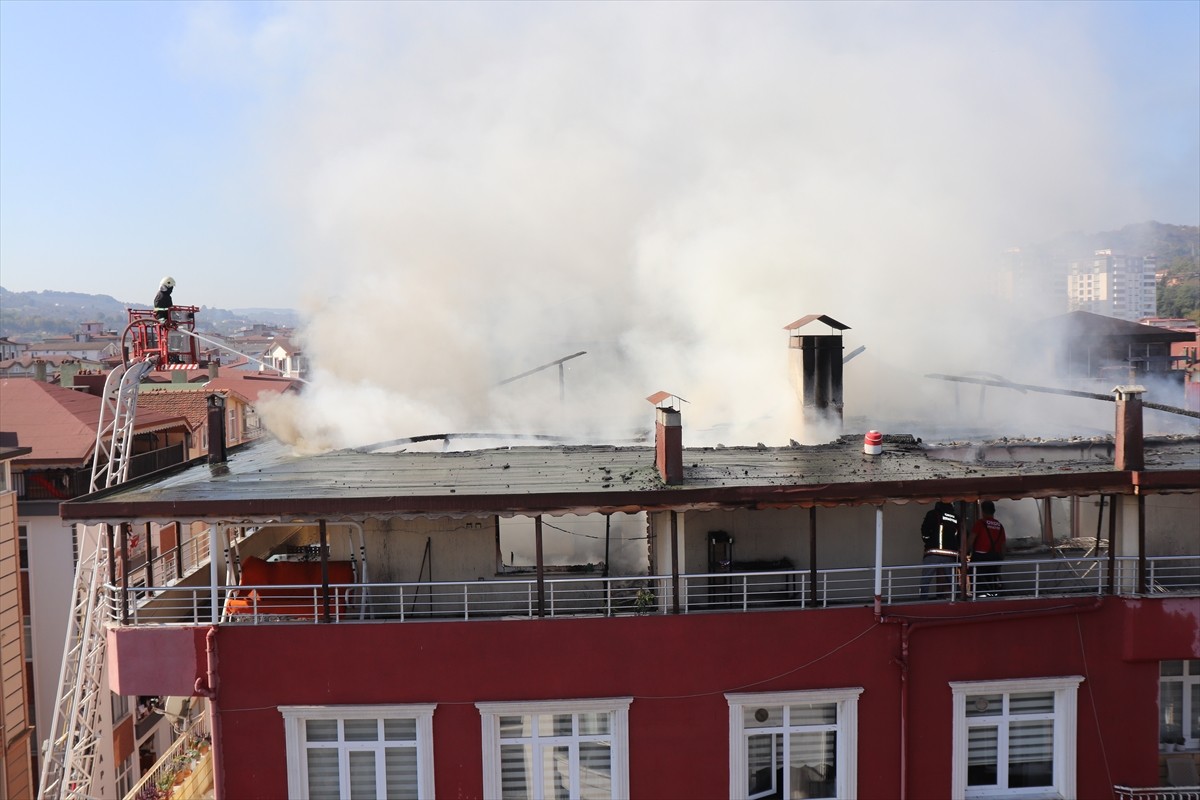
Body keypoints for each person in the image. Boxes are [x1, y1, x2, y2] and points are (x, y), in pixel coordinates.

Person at [920, 501, 960, 599]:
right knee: (952, 580)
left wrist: (928, 540)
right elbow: (960, 535)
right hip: (950, 554)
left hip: (933, 552)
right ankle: (956, 598)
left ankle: (923, 599)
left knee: (925, 579)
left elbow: (925, 530)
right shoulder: (955, 517)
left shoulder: (933, 514)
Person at [968, 500, 1006, 596]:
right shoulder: (1000, 526)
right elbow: (1003, 546)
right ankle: (993, 595)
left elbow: (970, 540)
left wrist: (964, 551)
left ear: (982, 511)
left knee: (978, 582)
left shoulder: (980, 523)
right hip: (995, 558)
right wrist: (1000, 559)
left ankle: (978, 596)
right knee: (992, 581)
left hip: (980, 559)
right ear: (994, 511)